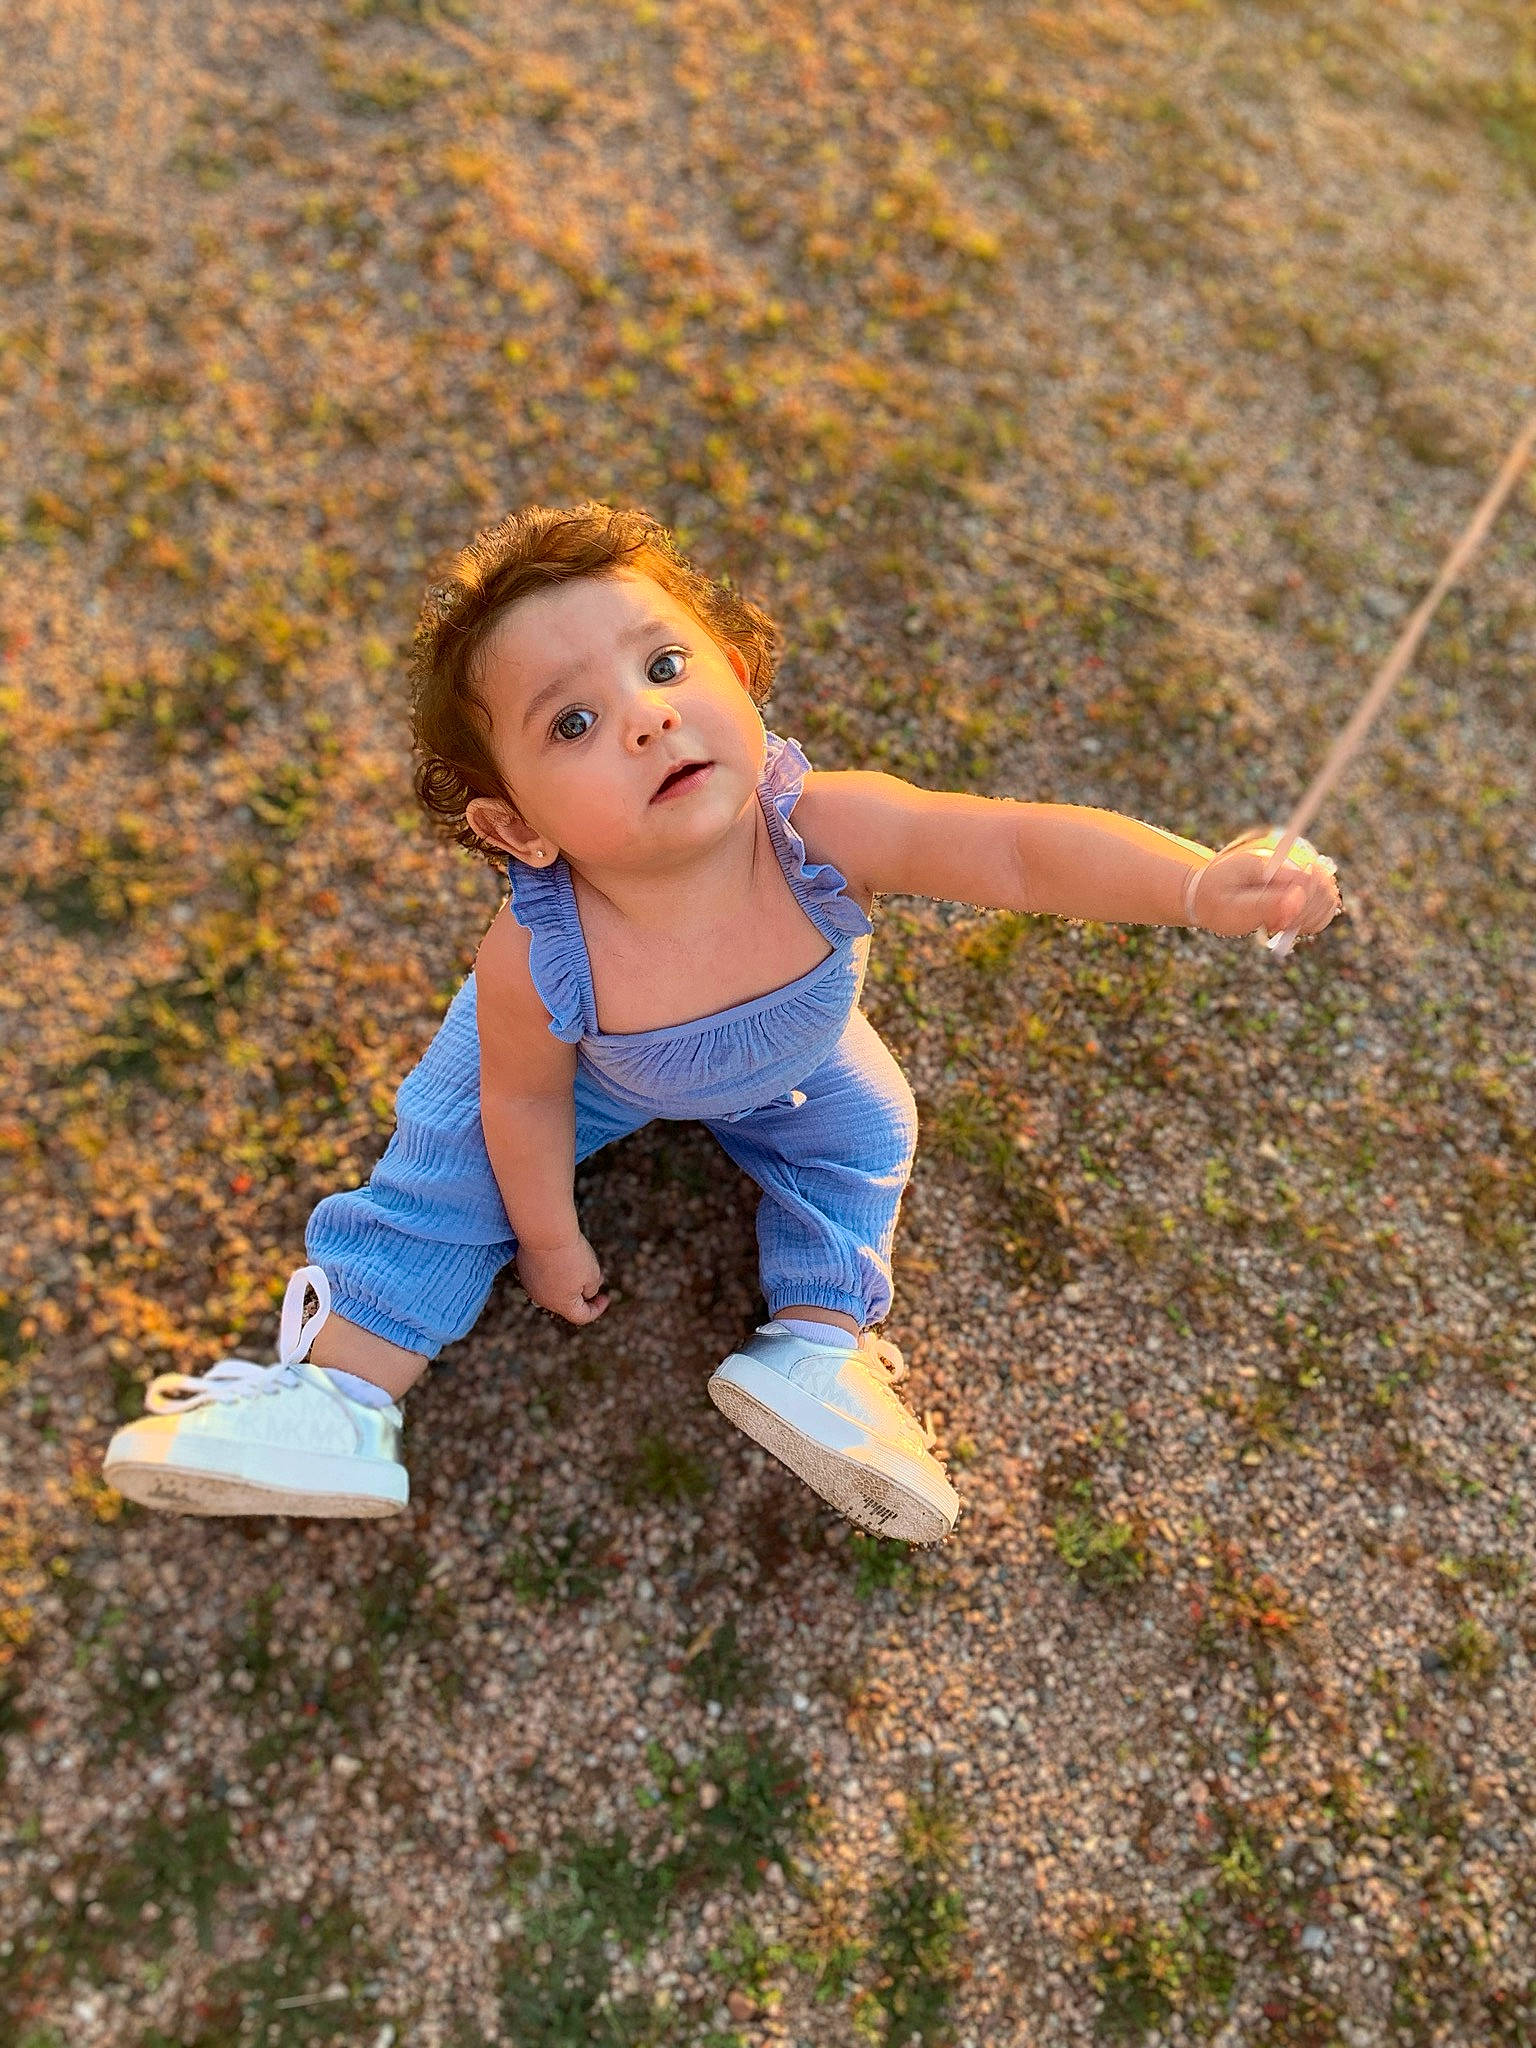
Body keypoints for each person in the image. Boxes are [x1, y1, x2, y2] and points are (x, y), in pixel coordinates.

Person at [102, 501, 1342, 1544]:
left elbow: (1017, 848)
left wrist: (1192, 884)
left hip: (786, 1067)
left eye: (665, 665)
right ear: (519, 825)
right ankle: (338, 1397)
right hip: (589, 1075)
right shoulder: (540, 952)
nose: (645, 716)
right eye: (572, 723)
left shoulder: (824, 831)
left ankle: (815, 1345)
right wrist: (547, 1235)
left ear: (739, 677)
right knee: (451, 1156)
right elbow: (524, 1101)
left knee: (868, 1131)